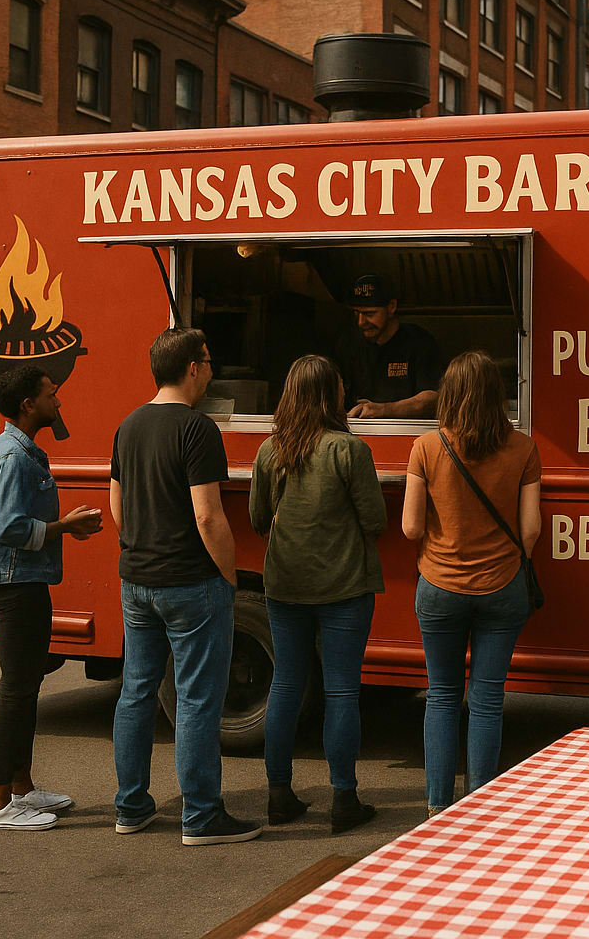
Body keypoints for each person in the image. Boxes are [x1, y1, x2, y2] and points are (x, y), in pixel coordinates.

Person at [109, 327, 263, 846]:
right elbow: (207, 515)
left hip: (137, 580)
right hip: (190, 582)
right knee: (196, 699)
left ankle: (131, 806)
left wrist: (141, 548)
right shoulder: (198, 429)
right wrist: (229, 575)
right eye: (209, 363)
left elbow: (116, 505)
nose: (212, 372)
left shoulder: (128, 425)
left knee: (136, 692)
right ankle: (200, 815)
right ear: (193, 368)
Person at [249, 355, 387, 834]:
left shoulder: (269, 450)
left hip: (285, 586)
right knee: (342, 689)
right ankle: (344, 799)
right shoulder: (349, 450)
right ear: (332, 394)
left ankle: (278, 794)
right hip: (345, 586)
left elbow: (257, 518)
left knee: (286, 685)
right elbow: (375, 520)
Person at [401, 350, 541, 813]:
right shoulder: (523, 448)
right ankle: (476, 809)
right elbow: (531, 529)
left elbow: (411, 528)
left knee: (442, 696)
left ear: (450, 394)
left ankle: (437, 808)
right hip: (502, 586)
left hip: (440, 586)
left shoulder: (426, 447)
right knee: (487, 699)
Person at [0, 365, 102, 831]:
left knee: (24, 686)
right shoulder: (14, 457)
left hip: (20, 580)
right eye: (51, 394)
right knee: (17, 688)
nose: (58, 401)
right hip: (14, 584)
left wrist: (63, 527)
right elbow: (8, 527)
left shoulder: (19, 450)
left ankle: (21, 788)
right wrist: (64, 527)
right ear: (28, 405)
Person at [337, 273, 444, 419]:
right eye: (357, 313)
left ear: (391, 307)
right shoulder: (348, 344)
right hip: (357, 428)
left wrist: (382, 410)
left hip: (408, 430)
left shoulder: (419, 342)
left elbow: (433, 398)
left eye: (369, 314)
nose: (361, 322)